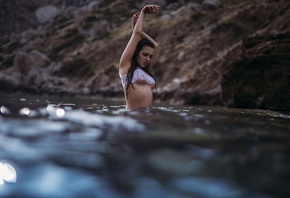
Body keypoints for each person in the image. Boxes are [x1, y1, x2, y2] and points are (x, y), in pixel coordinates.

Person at [119, 5, 160, 109]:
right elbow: (137, 34)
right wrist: (143, 12)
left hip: (149, 118)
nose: (148, 59)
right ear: (136, 53)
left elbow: (155, 46)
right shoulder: (126, 68)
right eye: (145, 54)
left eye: (150, 56)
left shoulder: (145, 70)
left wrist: (135, 29)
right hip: (132, 117)